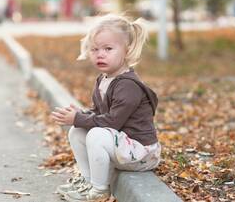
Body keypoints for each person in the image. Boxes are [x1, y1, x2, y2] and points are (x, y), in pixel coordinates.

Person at [51, 14, 161, 202]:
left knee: (95, 134)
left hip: (142, 152)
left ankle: (100, 190)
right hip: (123, 146)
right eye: (94, 49)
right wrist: (80, 115)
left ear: (127, 50)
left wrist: (78, 118)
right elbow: (99, 114)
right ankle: (87, 182)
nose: (100, 54)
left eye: (108, 49)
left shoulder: (128, 85)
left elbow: (112, 122)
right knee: (76, 132)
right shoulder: (104, 79)